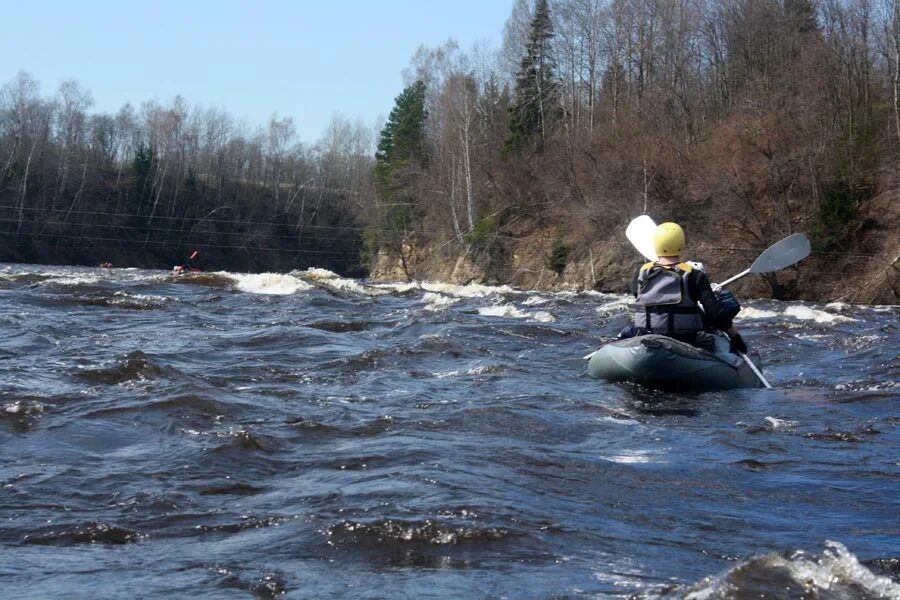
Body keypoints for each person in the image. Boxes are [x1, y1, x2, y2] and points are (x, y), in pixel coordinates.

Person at [620, 222, 747, 354]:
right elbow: (716, 313)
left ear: (655, 244)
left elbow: (638, 298)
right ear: (681, 244)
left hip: (647, 335)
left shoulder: (641, 272)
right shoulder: (694, 275)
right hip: (686, 341)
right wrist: (735, 337)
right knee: (710, 341)